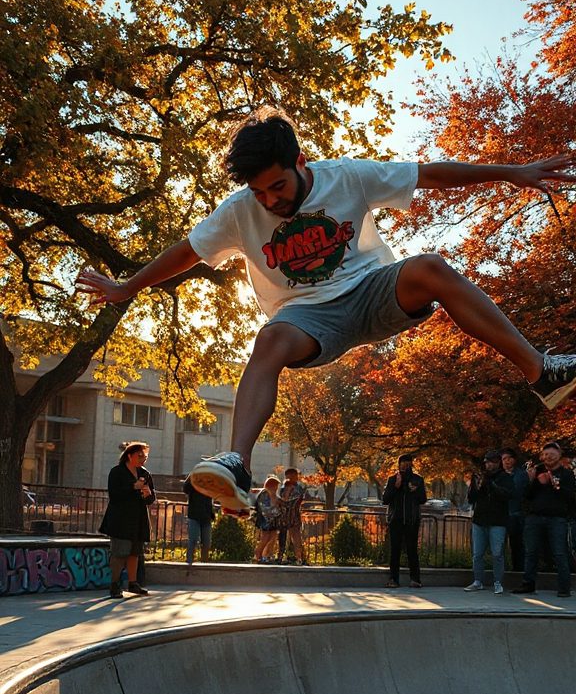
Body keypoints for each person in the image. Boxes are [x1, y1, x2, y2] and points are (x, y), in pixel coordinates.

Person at [76, 111, 576, 512]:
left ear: (299, 161)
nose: (271, 201)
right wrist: (127, 287)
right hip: (308, 318)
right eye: (260, 194)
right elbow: (186, 251)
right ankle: (237, 465)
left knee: (430, 267)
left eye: (278, 187)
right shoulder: (239, 210)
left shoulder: (347, 176)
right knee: (268, 339)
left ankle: (540, 370)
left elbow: (429, 174)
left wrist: (509, 172)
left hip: (371, 291)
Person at [513, 441, 576, 598]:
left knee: (559, 553)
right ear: (542, 456)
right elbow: (526, 496)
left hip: (557, 519)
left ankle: (564, 588)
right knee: (531, 552)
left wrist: (556, 485)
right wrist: (532, 481)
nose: (548, 457)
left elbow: (571, 497)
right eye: (546, 454)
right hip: (534, 518)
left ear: (559, 456)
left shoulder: (567, 474)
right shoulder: (537, 472)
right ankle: (528, 584)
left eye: (552, 455)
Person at [100, 441, 155, 598]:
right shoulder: (117, 472)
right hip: (120, 519)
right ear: (129, 456)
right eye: (140, 456)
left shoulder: (145, 473)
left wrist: (147, 494)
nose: (143, 459)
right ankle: (115, 584)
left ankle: (133, 583)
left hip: (138, 519)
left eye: (145, 456)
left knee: (134, 552)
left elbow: (151, 499)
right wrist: (133, 488)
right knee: (120, 552)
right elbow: (114, 495)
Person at [464, 451, 514, 595]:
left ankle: (497, 582)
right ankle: (477, 581)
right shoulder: (478, 476)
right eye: (486, 462)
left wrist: (491, 485)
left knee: (497, 553)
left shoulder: (505, 477)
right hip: (479, 520)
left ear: (498, 462)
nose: (488, 464)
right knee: (477, 554)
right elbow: (471, 498)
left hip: (497, 521)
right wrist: (476, 486)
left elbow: (508, 495)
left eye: (491, 462)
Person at [382, 454, 427, 587]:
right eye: (403, 464)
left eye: (408, 464)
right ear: (399, 465)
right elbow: (385, 499)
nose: (405, 467)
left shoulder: (417, 480)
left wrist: (415, 491)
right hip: (396, 519)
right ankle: (393, 579)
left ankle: (415, 579)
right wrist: (396, 486)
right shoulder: (392, 479)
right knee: (395, 550)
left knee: (412, 550)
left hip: (412, 520)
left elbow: (423, 499)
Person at [500, 446, 529, 572]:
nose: (507, 461)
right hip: (501, 514)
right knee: (499, 547)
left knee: (517, 546)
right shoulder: (499, 475)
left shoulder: (521, 475)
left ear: (514, 460)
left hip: (516, 514)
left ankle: (518, 571)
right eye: (504, 459)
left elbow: (519, 492)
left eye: (509, 458)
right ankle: (501, 572)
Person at [182, 475, 214, 571]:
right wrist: (193, 476)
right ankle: (189, 563)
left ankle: (204, 563)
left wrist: (211, 514)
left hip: (206, 517)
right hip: (194, 515)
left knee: (207, 542)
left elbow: (212, 498)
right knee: (193, 539)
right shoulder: (193, 481)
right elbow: (185, 488)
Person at [278, 468, 308, 564]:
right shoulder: (283, 488)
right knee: (282, 538)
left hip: (294, 515)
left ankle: (300, 558)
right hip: (284, 516)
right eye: (288, 477)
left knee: (296, 537)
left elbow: (294, 501)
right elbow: (282, 500)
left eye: (291, 477)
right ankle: (280, 556)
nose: (289, 479)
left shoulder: (298, 489)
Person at [253, 475, 282, 562]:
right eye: (276, 486)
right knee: (265, 538)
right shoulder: (264, 495)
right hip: (265, 520)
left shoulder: (271, 494)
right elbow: (265, 509)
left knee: (272, 537)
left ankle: (267, 555)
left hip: (272, 520)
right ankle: (258, 555)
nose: (277, 488)